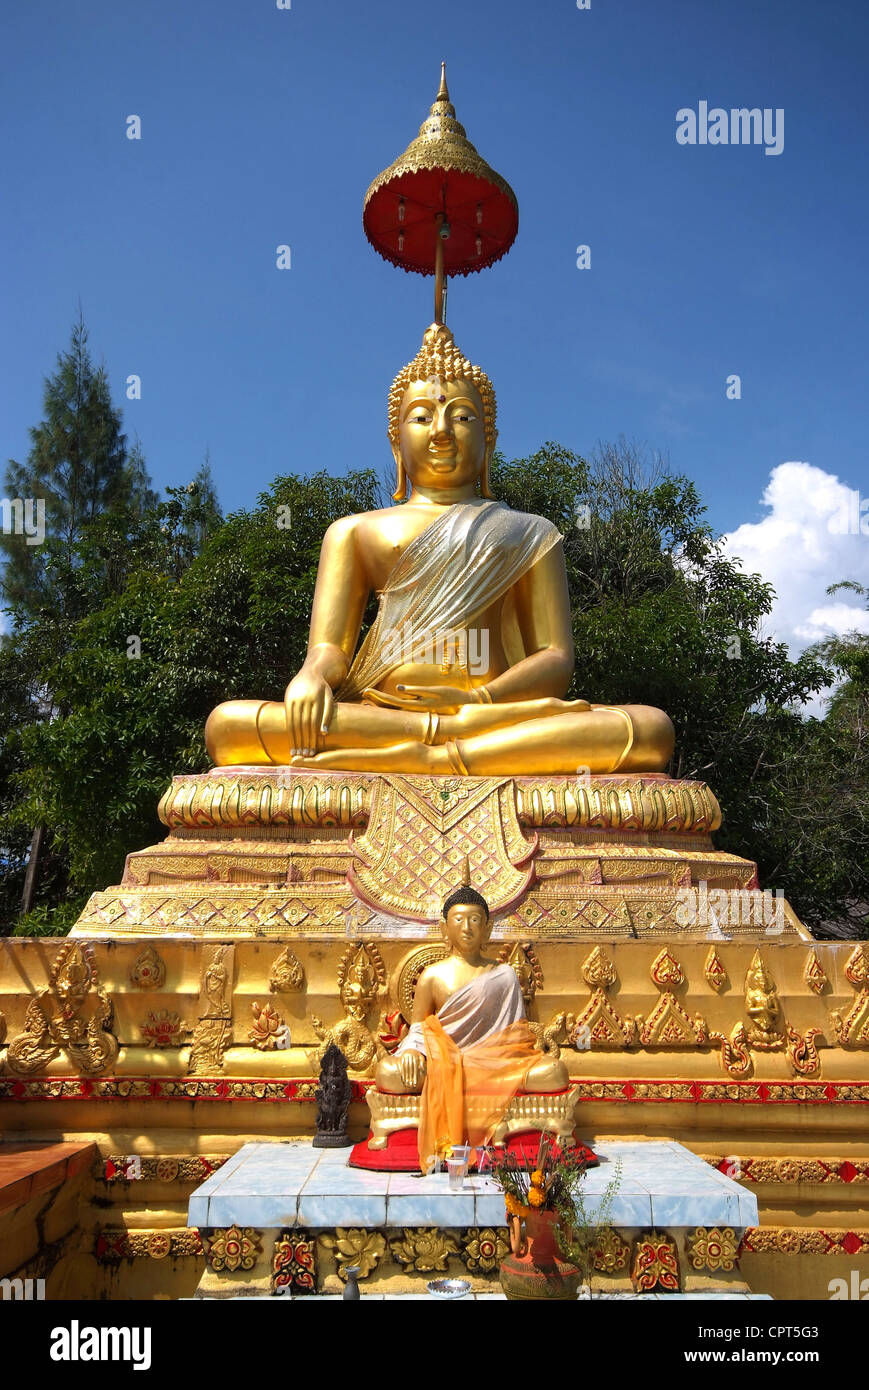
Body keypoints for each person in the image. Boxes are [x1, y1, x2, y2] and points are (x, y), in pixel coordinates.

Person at [374, 883, 568, 1170]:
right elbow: (418, 1026)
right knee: (387, 1072)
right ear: (444, 928)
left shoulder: (503, 975)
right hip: (444, 1062)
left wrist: (505, 1060)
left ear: (487, 929)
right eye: (459, 919)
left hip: (496, 1063)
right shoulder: (432, 976)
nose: (467, 927)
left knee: (554, 1072)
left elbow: (514, 1037)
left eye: (475, 920)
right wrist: (412, 1053)